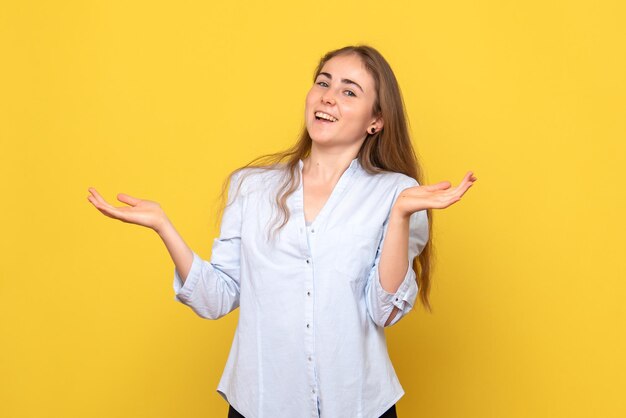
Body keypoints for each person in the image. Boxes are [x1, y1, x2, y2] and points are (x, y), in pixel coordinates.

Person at [87, 44, 477, 418]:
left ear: (376, 120)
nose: (327, 96)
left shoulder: (398, 194)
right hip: (260, 403)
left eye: (348, 91)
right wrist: (163, 226)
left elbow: (383, 311)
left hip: (358, 405)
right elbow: (216, 298)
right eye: (323, 83)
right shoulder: (251, 186)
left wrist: (399, 216)